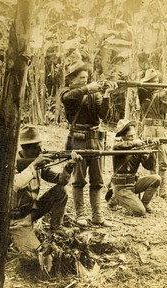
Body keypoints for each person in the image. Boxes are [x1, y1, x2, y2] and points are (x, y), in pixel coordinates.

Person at [60, 60, 117, 227]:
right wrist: (87, 88)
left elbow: (103, 115)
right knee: (78, 179)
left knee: (97, 180)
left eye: (86, 77)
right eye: (81, 78)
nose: (84, 80)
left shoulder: (94, 94)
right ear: (71, 80)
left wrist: (106, 95)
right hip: (78, 139)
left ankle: (97, 216)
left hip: (96, 139)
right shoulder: (67, 92)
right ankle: (80, 214)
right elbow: (69, 98)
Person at [10, 126, 82, 255]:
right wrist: (33, 165)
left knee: (61, 191)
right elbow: (15, 185)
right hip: (16, 220)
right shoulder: (11, 164)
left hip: (31, 211)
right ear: (25, 148)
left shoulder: (37, 162)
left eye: (40, 146)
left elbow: (61, 180)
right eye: (36, 147)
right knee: (36, 254)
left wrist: (69, 165)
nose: (40, 150)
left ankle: (56, 228)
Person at [108, 119, 161, 216]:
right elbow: (118, 146)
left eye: (134, 135)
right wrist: (136, 143)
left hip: (133, 184)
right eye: (129, 136)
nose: (132, 138)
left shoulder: (138, 148)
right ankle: (116, 198)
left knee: (156, 179)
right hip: (121, 188)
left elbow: (149, 166)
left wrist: (153, 149)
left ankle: (145, 203)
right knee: (140, 212)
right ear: (123, 137)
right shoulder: (118, 147)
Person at [137, 68, 167, 200]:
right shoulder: (143, 92)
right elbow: (141, 88)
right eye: (153, 81)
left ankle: (163, 191)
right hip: (149, 128)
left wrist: (166, 94)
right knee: (152, 160)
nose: (156, 84)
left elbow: (163, 111)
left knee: (163, 161)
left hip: (161, 128)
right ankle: (153, 188)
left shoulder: (162, 94)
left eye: (158, 81)